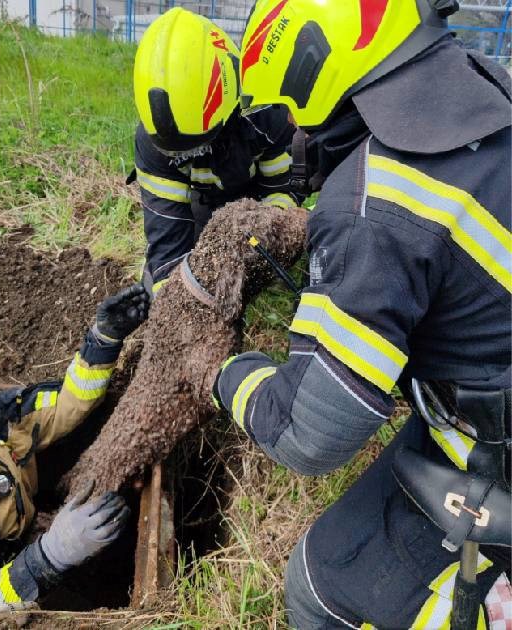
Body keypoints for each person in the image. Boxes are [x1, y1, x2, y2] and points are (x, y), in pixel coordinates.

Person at [212, 0, 510, 627]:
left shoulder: (374, 204)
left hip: (492, 451)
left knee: (321, 587)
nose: (292, 132)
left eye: (287, 113)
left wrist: (225, 373)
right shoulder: (491, 85)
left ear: (313, 75)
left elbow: (310, 436)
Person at [0, 285, 148, 616]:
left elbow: (63, 405)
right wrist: (50, 556)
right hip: (12, 592)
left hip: (31, 532)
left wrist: (102, 342)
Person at [131, 7, 301, 295]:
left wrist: (266, 232)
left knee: (268, 259)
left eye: (200, 142)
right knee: (175, 275)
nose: (194, 153)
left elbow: (284, 190)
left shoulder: (266, 113)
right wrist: (173, 298)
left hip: (259, 199)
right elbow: (167, 237)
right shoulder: (153, 144)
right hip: (205, 200)